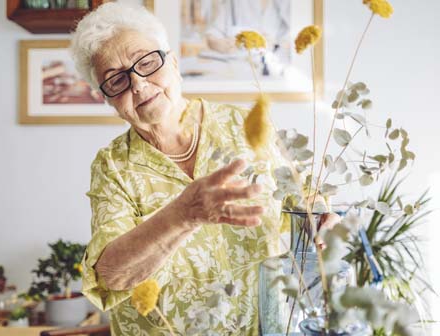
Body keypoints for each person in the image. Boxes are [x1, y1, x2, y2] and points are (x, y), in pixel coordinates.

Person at [70, 3, 337, 335]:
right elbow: (112, 275)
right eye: (116, 80)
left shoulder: (245, 124)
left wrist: (322, 218)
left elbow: (301, 197)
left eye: (147, 62)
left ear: (174, 63)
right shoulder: (113, 166)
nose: (137, 85)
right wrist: (183, 214)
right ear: (109, 100)